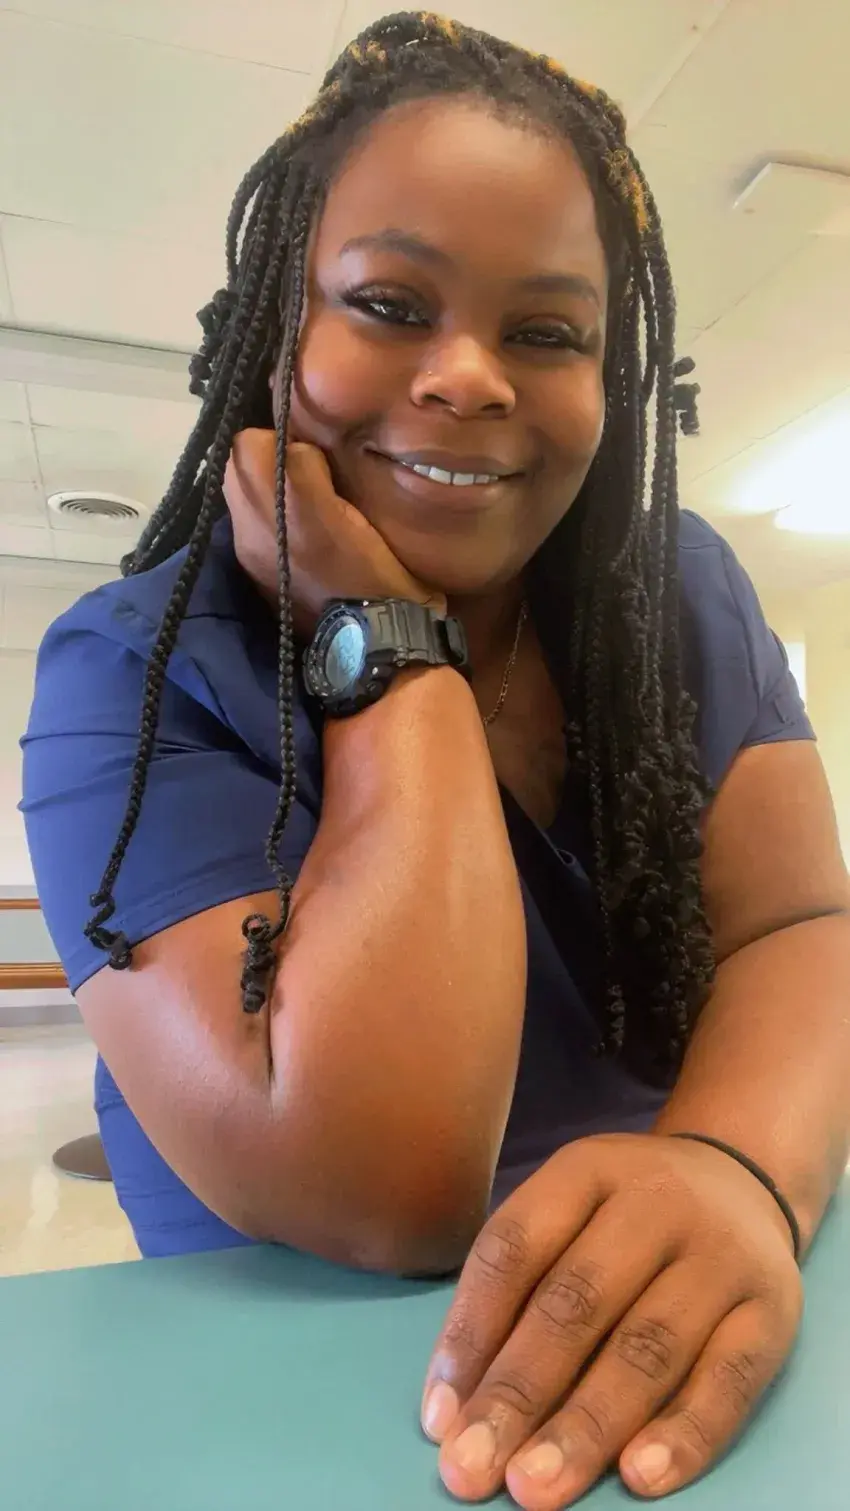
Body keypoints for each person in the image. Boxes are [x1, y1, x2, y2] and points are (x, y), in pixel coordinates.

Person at [21, 12, 850, 1508]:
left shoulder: (672, 593)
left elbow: (798, 925)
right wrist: (390, 651)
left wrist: (734, 1163)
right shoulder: (133, 671)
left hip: (699, 1289)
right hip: (310, 1390)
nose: (468, 376)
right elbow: (380, 1187)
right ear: (276, 324)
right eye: (390, 304)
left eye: (546, 332)